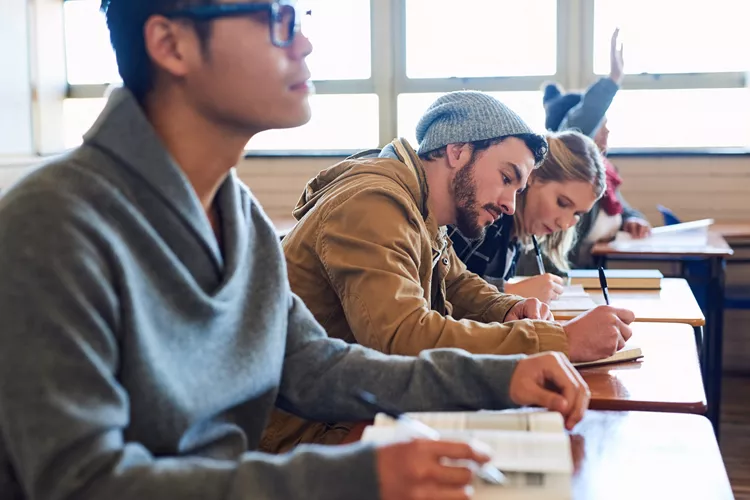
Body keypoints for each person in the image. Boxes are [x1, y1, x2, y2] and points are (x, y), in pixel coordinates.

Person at [0, 2, 592, 499]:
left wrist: (503, 377)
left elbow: (315, 366)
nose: (305, 41)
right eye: (277, 20)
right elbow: (85, 485)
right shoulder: (54, 223)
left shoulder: (237, 215)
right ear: (171, 44)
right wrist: (358, 475)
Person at [262, 92, 634, 454]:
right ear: (457, 150)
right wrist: (558, 340)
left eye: (519, 190)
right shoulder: (374, 202)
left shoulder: (421, 206)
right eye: (507, 177)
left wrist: (507, 308)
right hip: (304, 434)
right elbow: (403, 337)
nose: (509, 204)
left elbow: (455, 280)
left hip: (349, 409)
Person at [449, 129, 613, 306]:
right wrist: (511, 292)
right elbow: (438, 293)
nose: (565, 224)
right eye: (562, 203)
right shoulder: (485, 215)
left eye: (577, 214)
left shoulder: (516, 234)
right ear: (533, 175)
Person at [532, 27, 651, 271]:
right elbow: (582, 119)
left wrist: (633, 219)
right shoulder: (569, 161)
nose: (607, 132)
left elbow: (622, 206)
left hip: (593, 270)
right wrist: (612, 81)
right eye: (601, 125)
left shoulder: (602, 173)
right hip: (566, 276)